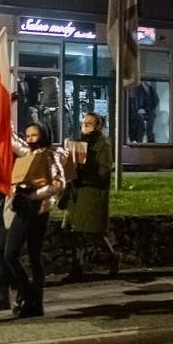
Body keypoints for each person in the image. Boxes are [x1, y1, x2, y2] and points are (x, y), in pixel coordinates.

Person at [1, 123, 66, 318]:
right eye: (28, 135)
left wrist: (34, 194)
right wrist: (4, 118)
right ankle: (30, 296)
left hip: (39, 211)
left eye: (34, 135)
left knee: (34, 257)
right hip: (22, 209)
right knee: (10, 253)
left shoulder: (50, 155)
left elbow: (59, 183)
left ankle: (35, 303)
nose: (30, 139)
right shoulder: (27, 154)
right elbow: (14, 142)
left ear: (43, 136)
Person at [64, 112, 119, 280]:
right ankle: (76, 268)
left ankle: (113, 257)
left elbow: (104, 171)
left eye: (89, 123)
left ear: (98, 126)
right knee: (73, 231)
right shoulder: (78, 142)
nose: (85, 126)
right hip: (77, 192)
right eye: (83, 123)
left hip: (92, 193)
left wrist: (86, 169)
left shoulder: (104, 144)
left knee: (95, 232)